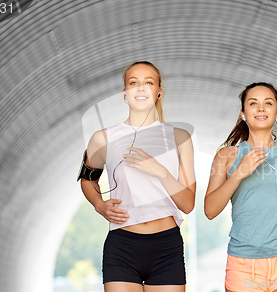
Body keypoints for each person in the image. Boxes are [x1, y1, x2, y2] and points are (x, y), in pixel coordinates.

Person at [78, 61, 196, 292]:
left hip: (166, 245)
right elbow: (87, 179)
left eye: (148, 82)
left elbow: (188, 203)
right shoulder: (103, 138)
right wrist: (99, 204)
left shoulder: (179, 137)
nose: (140, 88)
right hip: (122, 245)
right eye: (134, 83)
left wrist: (159, 170)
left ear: (159, 92)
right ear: (125, 93)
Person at [204, 82, 277, 292]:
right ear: (243, 114)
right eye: (253, 103)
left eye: (268, 103)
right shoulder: (226, 156)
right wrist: (239, 173)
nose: (261, 108)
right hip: (242, 262)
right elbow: (210, 210)